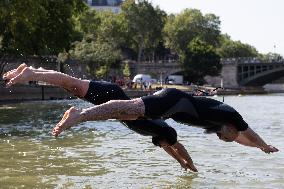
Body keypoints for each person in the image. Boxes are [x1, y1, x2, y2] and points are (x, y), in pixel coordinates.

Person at [4, 64, 279, 171]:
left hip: (171, 104)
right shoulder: (230, 114)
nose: (226, 140)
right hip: (171, 101)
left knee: (78, 87)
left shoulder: (221, 124)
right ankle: (80, 115)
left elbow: (243, 138)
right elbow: (247, 133)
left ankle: (33, 73)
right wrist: (263, 145)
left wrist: (257, 148)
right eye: (229, 138)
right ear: (232, 126)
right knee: (128, 109)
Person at [3, 63, 197, 172]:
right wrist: (190, 164)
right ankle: (30, 73)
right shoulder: (157, 127)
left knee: (73, 86)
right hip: (113, 94)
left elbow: (172, 148)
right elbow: (177, 147)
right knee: (74, 84)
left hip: (111, 99)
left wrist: (181, 163)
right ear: (167, 138)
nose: (165, 147)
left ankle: (32, 72)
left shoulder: (155, 131)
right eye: (166, 144)